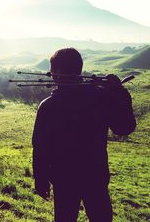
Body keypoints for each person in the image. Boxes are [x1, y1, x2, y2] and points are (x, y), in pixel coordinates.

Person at [32, 48, 136, 221]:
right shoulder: (100, 98)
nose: (51, 74)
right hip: (95, 176)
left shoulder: (48, 106)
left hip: (64, 179)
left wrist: (41, 179)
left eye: (53, 70)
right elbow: (125, 127)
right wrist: (119, 93)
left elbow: (40, 147)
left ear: (57, 73)